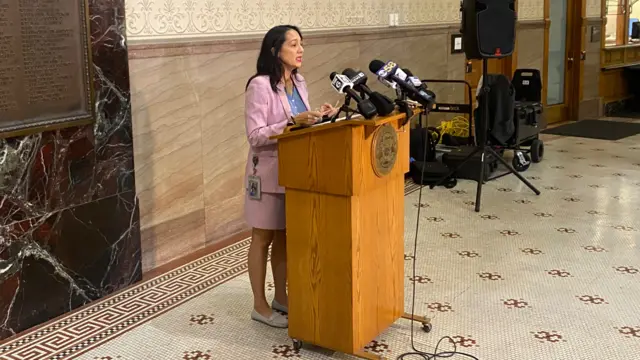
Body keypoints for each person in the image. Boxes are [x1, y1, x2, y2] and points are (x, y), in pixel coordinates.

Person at [244, 25, 338, 328]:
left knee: (285, 235)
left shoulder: (299, 81)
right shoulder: (259, 85)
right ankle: (259, 304)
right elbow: (256, 135)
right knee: (263, 238)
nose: (300, 50)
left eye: (302, 44)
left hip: (295, 170)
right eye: (293, 44)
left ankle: (281, 297)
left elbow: (300, 127)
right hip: (267, 173)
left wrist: (321, 118)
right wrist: (291, 122)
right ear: (275, 50)